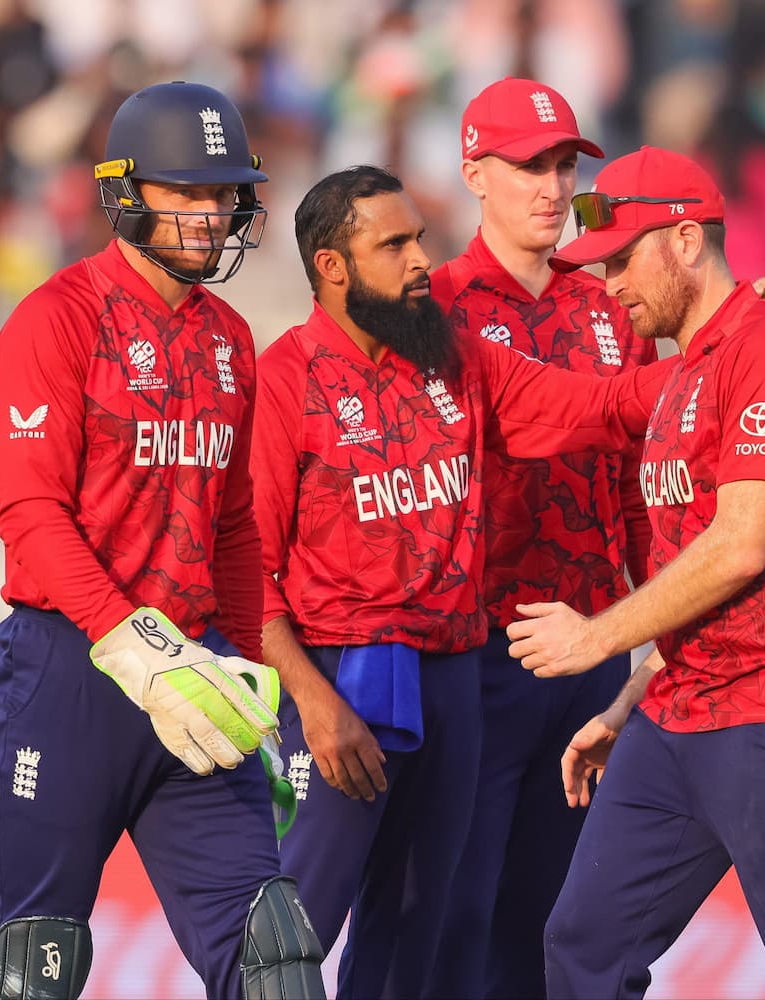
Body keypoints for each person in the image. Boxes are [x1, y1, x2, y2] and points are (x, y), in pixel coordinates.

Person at [252, 164, 667, 999]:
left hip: (452, 673)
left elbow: (596, 406)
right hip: (341, 680)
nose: (418, 261)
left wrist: (727, 342)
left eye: (419, 239)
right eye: (394, 244)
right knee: (289, 939)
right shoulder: (285, 378)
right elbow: (247, 573)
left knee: (423, 928)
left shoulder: (456, 359)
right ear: (333, 268)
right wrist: (313, 703)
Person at [507, 145, 765, 1000]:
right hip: (678, 717)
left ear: (685, 239)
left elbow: (740, 546)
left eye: (620, 257)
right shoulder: (684, 372)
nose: (608, 283)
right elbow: (695, 570)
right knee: (582, 947)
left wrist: (594, 638)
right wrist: (628, 698)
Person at [0, 81, 325, 1000]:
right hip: (71, 670)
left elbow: (239, 528)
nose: (211, 215)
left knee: (276, 957)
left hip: (200, 672)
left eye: (223, 194)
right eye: (187, 192)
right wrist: (130, 644)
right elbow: (31, 518)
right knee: (30, 969)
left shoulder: (231, 338)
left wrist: (254, 678)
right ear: (126, 192)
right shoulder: (56, 319)